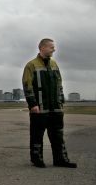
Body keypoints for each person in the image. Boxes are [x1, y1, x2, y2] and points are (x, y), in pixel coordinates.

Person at [22, 38, 77, 168]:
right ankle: (37, 159)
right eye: (51, 47)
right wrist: (33, 104)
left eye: (54, 47)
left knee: (58, 135)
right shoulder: (31, 65)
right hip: (40, 108)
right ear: (42, 48)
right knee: (37, 135)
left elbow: (59, 83)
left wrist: (61, 100)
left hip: (56, 109)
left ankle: (61, 160)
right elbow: (27, 86)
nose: (54, 49)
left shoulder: (54, 64)